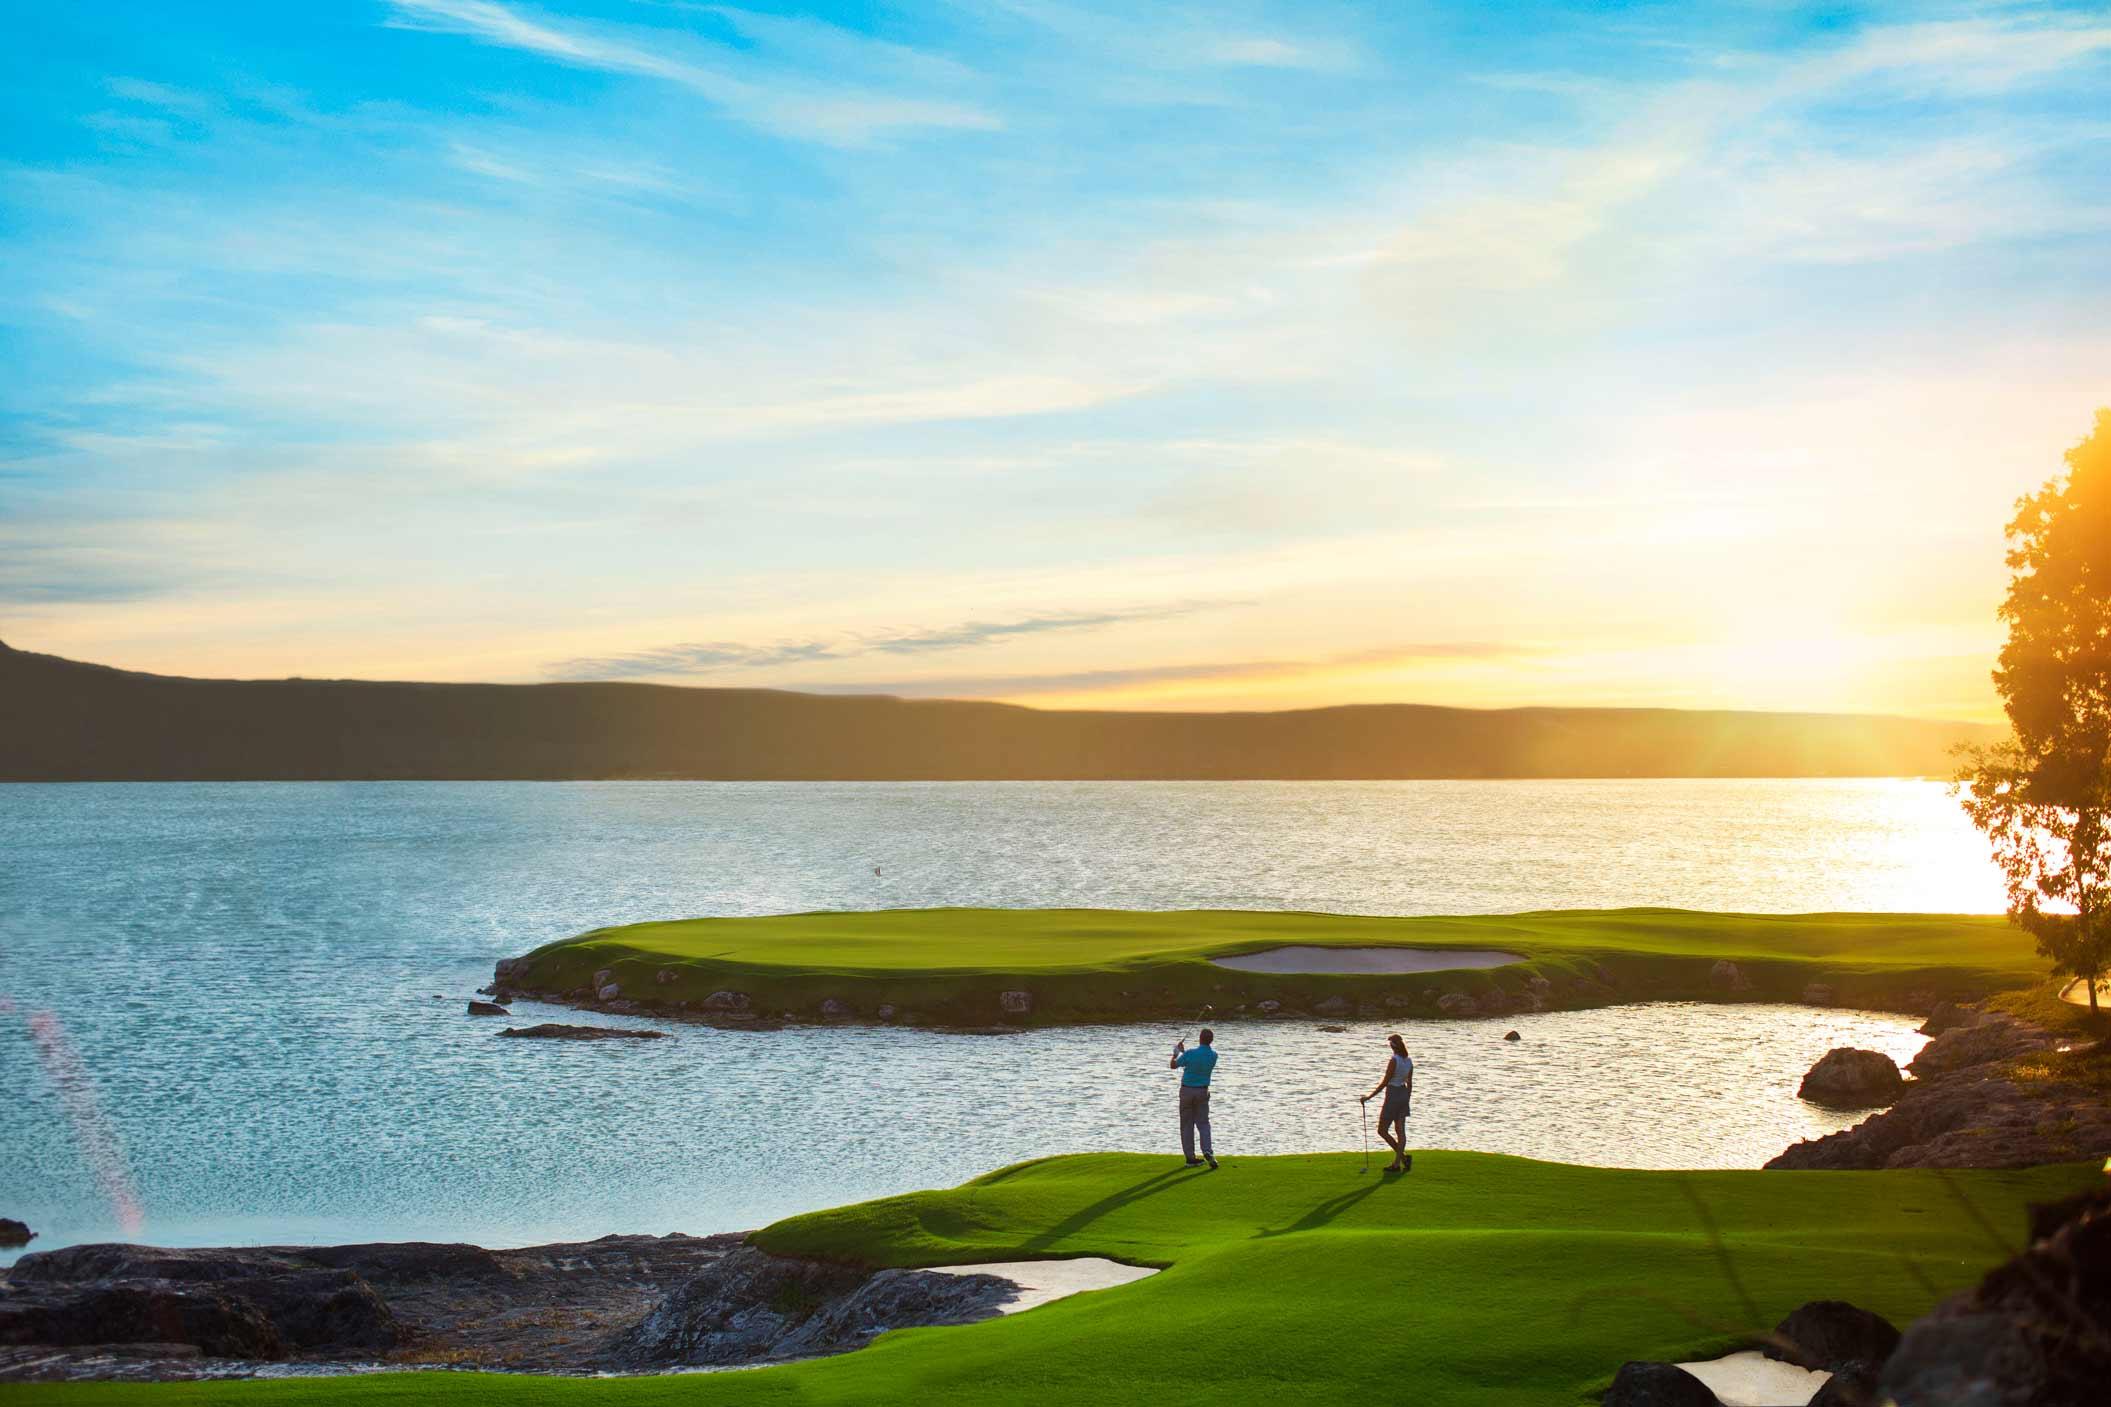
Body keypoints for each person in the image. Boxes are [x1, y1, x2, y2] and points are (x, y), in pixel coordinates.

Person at [1359, 1034, 1413, 1173]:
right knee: (1400, 1130)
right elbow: (1410, 1083)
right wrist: (1407, 1098)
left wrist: (1369, 1097)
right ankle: (1400, 1161)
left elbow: (1385, 1082)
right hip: (1403, 1094)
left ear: (1393, 1046)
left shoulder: (1394, 1060)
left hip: (1393, 1095)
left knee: (1382, 1130)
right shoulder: (1409, 1061)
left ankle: (1401, 1160)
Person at [1169, 1028, 1218, 1170]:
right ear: (1211, 1040)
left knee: (1186, 1125)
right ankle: (1207, 1151)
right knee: (1203, 1123)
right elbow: (1196, 1062)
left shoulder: (1190, 1053)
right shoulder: (1214, 1055)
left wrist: (1175, 1054)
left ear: (1200, 1038)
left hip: (1186, 1091)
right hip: (1202, 1091)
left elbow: (1173, 1065)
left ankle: (1190, 1158)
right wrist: (1183, 1053)